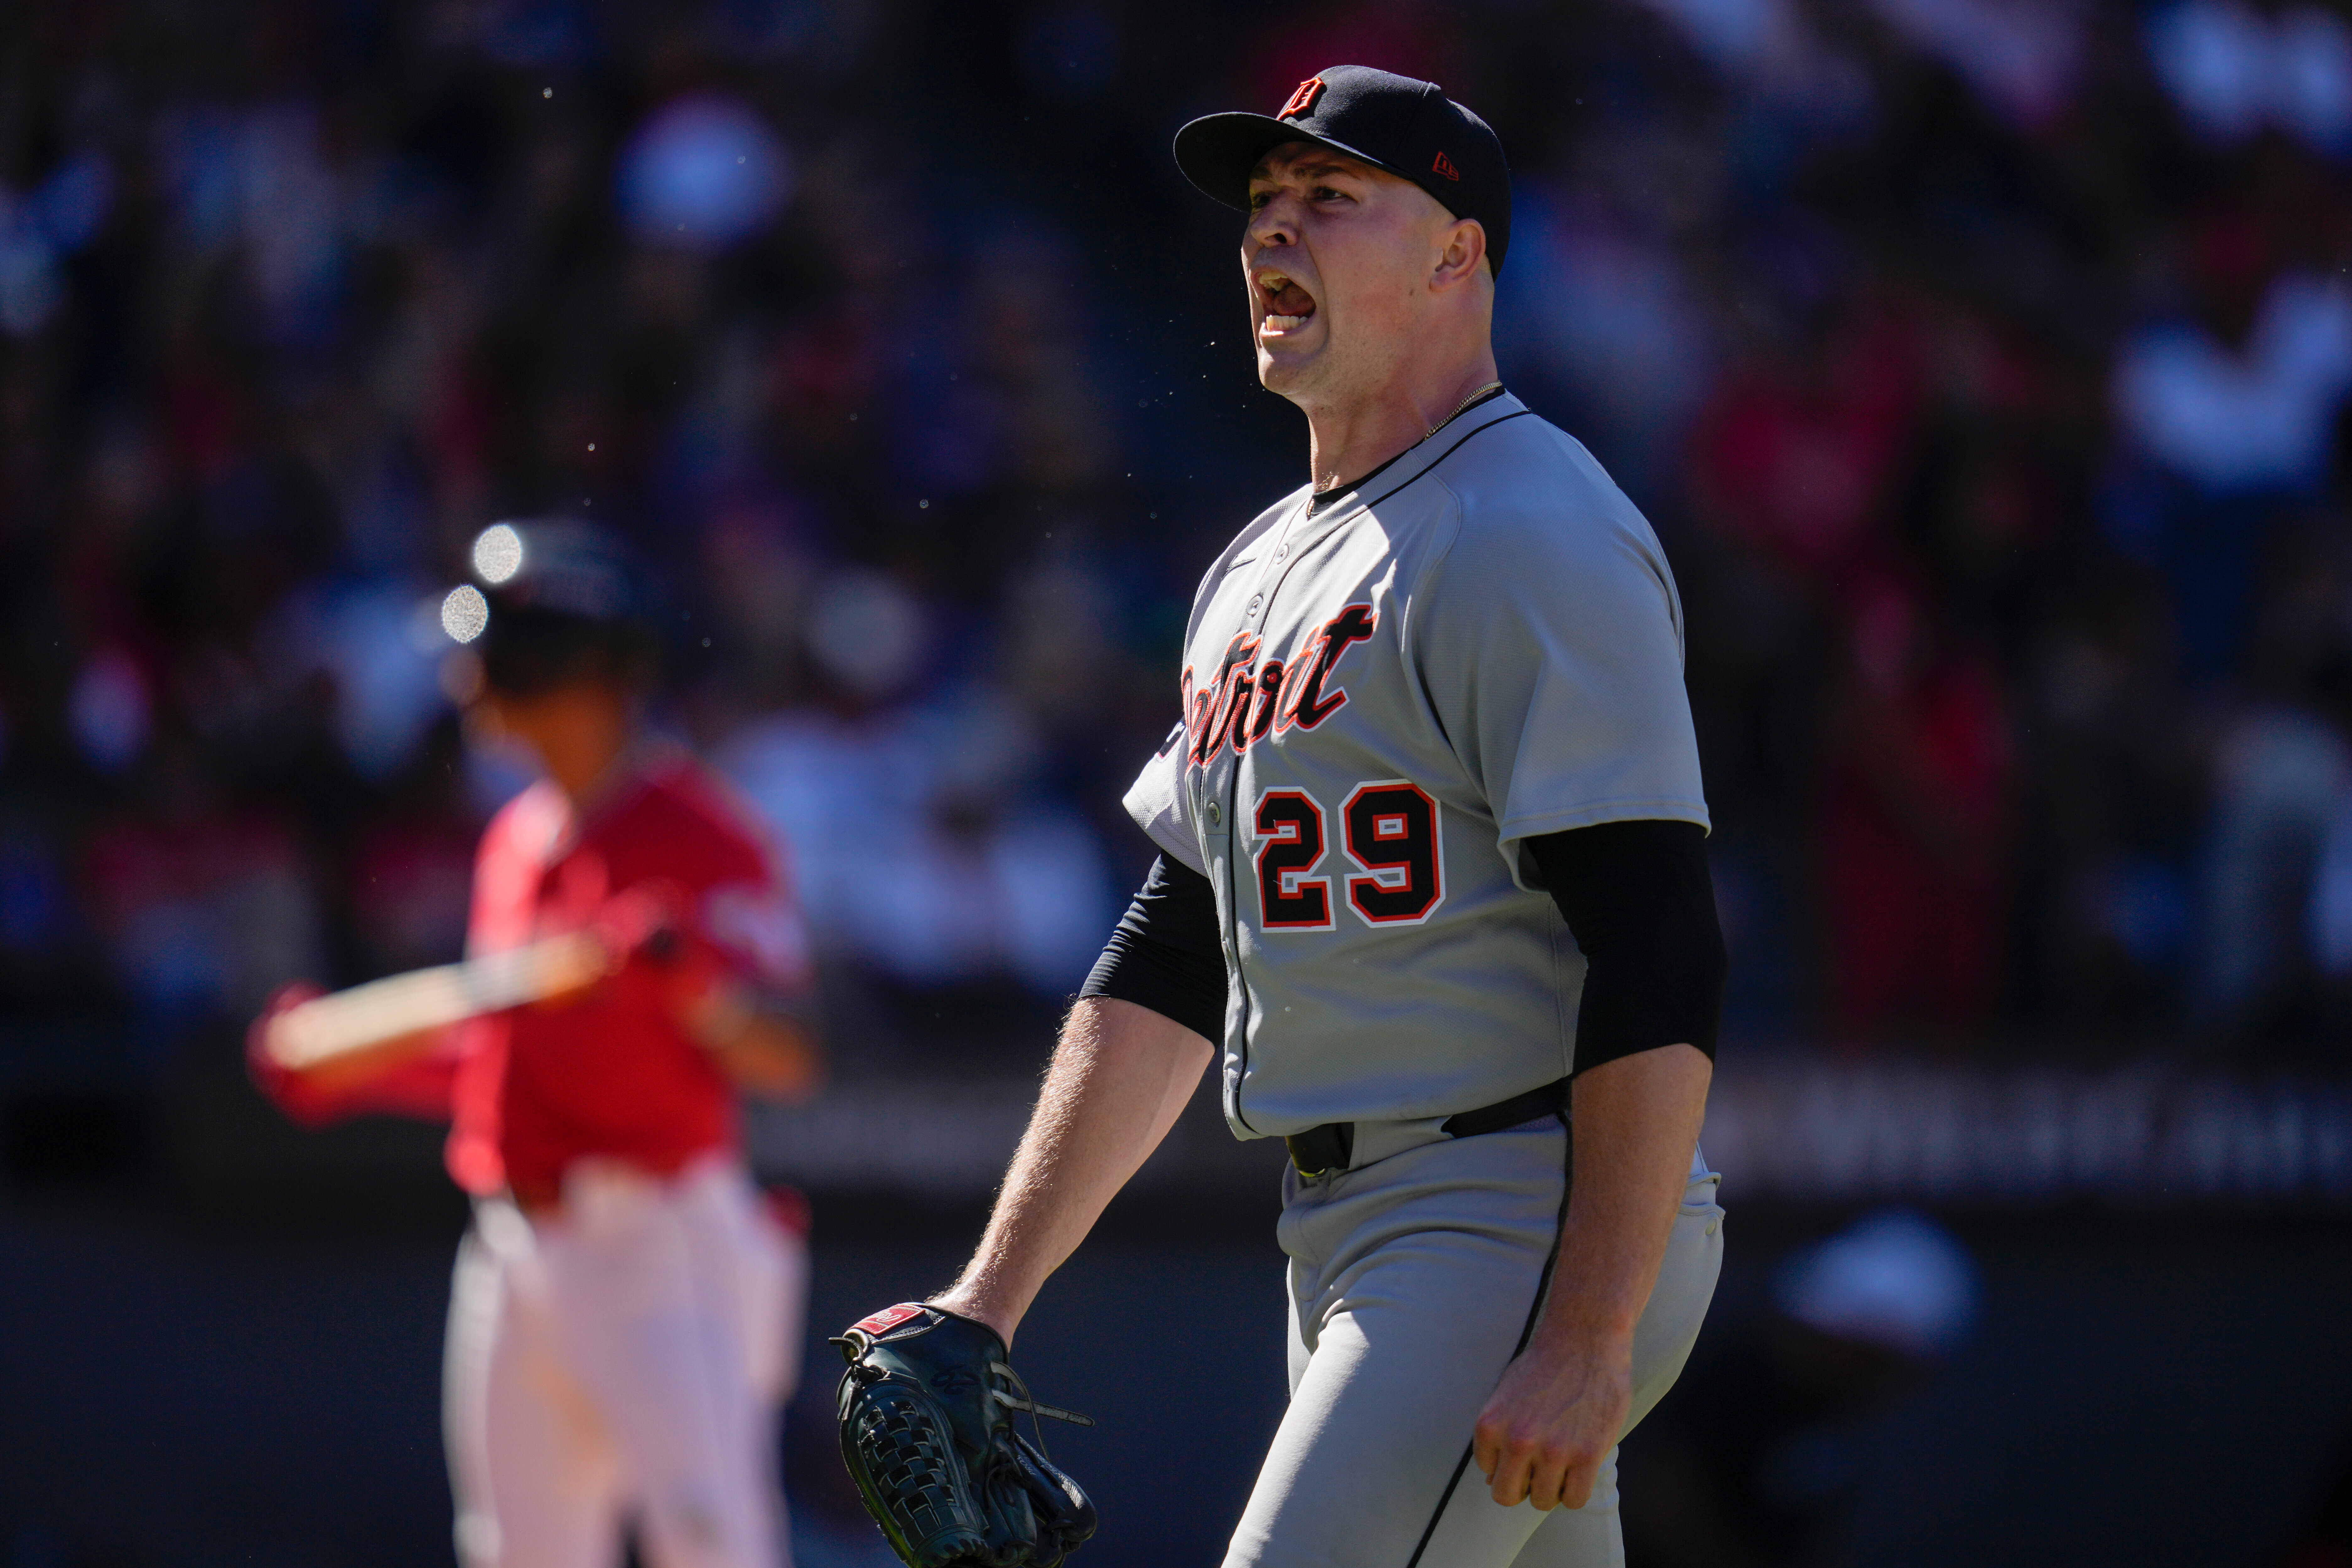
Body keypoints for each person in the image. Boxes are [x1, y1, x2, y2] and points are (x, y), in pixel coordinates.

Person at [867, 64, 1729, 1568]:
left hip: (1516, 1206)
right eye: (1264, 205)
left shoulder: (1533, 525)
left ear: (1458, 252)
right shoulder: (1262, 563)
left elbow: (1660, 943)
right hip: (1348, 1226)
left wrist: (1589, 1330)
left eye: (1332, 198)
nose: (1276, 233)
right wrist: (985, 1298)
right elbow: (1175, 945)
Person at [253, 520, 823, 1568]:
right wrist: (356, 1065)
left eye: (497, 661)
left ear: (581, 669)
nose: (471, 687)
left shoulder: (702, 834)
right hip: (514, 1241)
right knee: (520, 1554)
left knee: (713, 1548)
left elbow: (790, 1053)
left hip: (657, 1239)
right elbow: (508, 1057)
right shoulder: (517, 834)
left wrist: (692, 989)